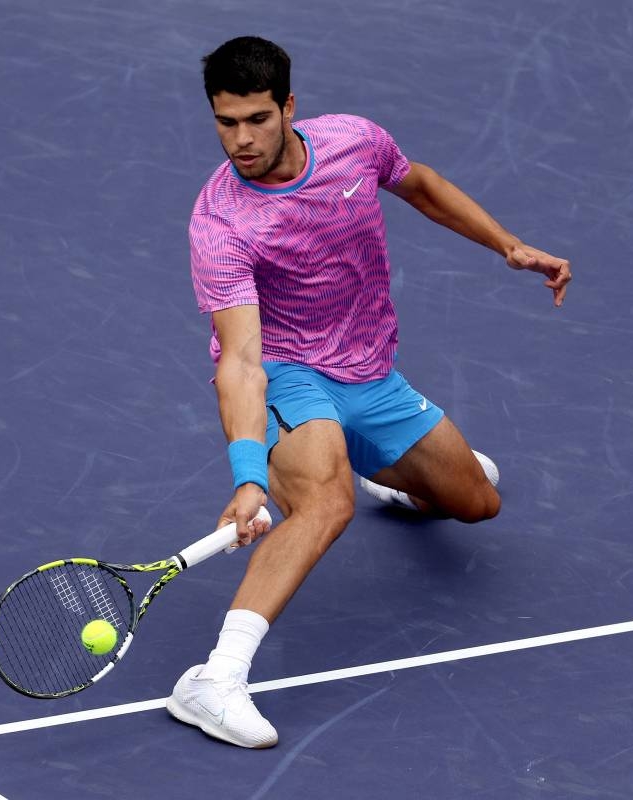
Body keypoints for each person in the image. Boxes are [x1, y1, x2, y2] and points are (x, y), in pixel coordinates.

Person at [165, 36, 572, 748]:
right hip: (290, 374)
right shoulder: (221, 221)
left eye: (257, 118)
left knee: (477, 500)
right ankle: (213, 682)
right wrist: (248, 473)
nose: (242, 139)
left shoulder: (355, 142)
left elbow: (421, 185)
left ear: (290, 108)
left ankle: (389, 474)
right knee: (325, 502)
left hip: (370, 369)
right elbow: (242, 361)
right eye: (226, 123)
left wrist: (505, 243)